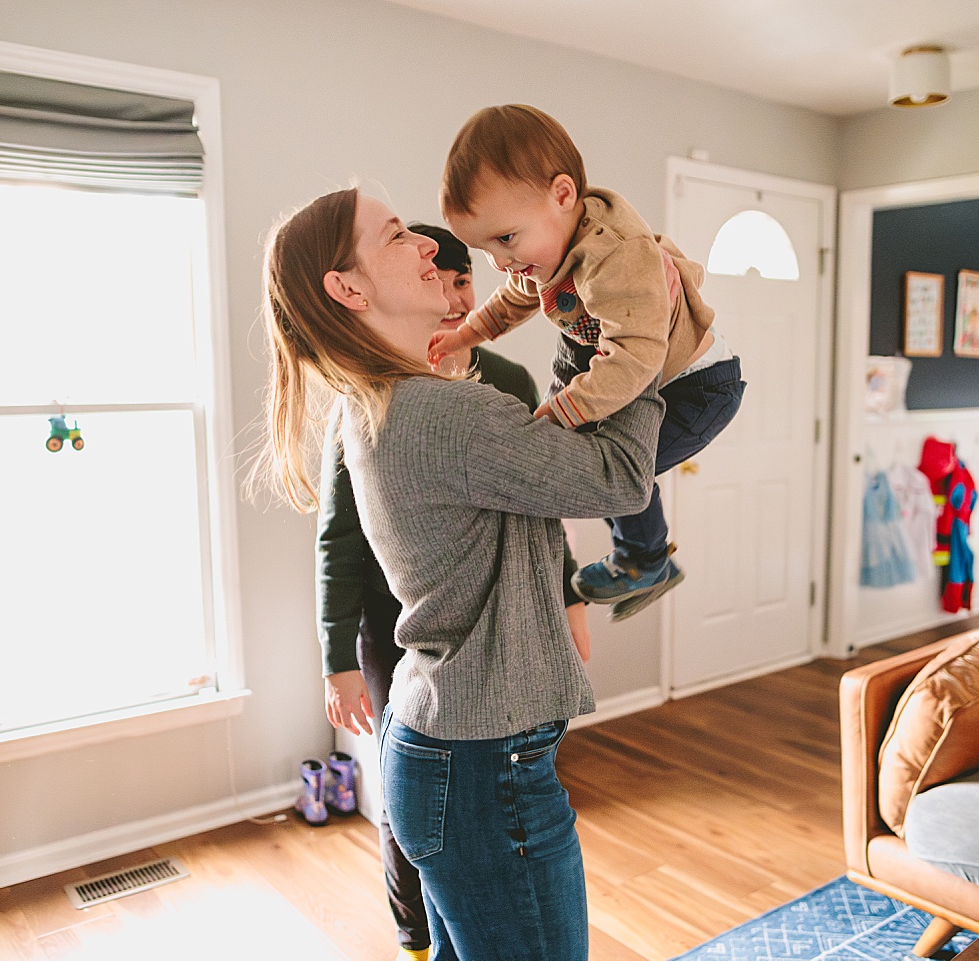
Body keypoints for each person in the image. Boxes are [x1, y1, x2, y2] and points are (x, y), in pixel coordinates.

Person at [260, 187, 663, 961]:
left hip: (451, 752)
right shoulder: (438, 413)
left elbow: (546, 491)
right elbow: (617, 479)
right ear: (348, 288)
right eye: (394, 237)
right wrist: (644, 337)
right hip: (485, 772)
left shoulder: (389, 402)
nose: (426, 246)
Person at [313, 222, 592, 961]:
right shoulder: (401, 405)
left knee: (438, 826)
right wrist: (335, 655)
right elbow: (336, 540)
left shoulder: (501, 383)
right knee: (420, 819)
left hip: (470, 693)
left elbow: (540, 505)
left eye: (463, 276)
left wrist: (568, 597)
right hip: (402, 626)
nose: (453, 287)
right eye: (408, 244)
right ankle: (413, 938)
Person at [428, 104, 746, 621]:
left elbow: (637, 355)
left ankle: (644, 559)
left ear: (563, 194)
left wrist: (563, 410)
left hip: (698, 386)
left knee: (609, 471)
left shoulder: (616, 255)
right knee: (597, 464)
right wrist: (467, 332)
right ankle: (643, 556)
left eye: (505, 239)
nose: (501, 262)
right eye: (484, 249)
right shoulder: (548, 247)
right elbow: (515, 298)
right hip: (655, 376)